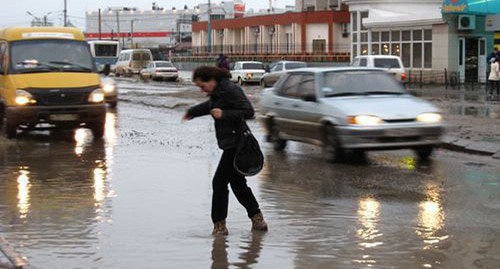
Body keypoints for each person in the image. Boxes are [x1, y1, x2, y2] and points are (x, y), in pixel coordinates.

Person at [183, 66, 268, 235]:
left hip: (237, 144)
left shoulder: (230, 89)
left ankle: (220, 226)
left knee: (219, 182)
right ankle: (257, 219)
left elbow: (248, 111)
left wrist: (224, 115)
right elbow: (210, 106)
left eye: (202, 86)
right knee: (237, 183)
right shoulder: (218, 92)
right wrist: (192, 112)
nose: (202, 90)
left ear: (211, 80)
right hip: (231, 143)